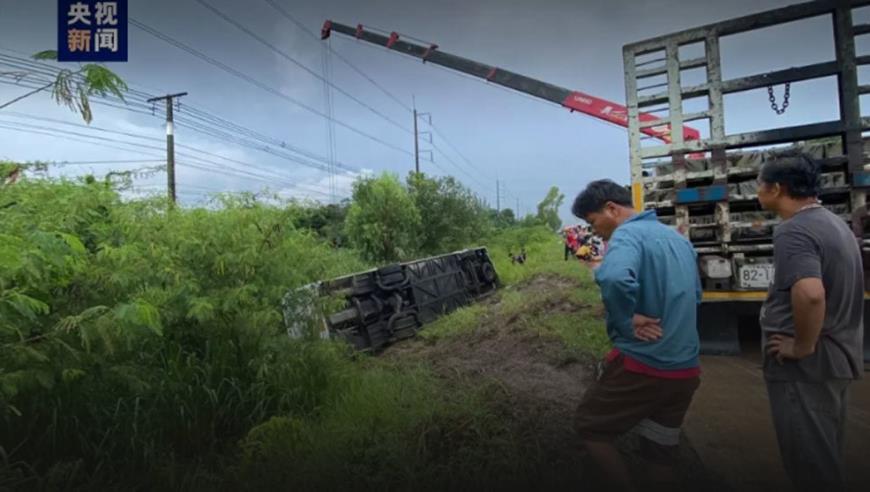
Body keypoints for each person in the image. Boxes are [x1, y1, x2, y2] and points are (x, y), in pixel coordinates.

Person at [570, 179, 702, 490]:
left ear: (611, 209)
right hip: (686, 370)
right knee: (659, 451)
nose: (595, 231)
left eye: (592, 222)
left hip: (644, 365)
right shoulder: (677, 238)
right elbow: (696, 295)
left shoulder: (626, 235)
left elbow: (614, 278)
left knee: (589, 427)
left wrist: (626, 320)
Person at [756, 153, 864, 492]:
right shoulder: (834, 224)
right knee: (824, 455)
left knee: (811, 467)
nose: (757, 191)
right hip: (835, 358)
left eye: (760, 185)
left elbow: (811, 294)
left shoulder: (794, 230)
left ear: (777, 188)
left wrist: (801, 345)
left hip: (807, 367)